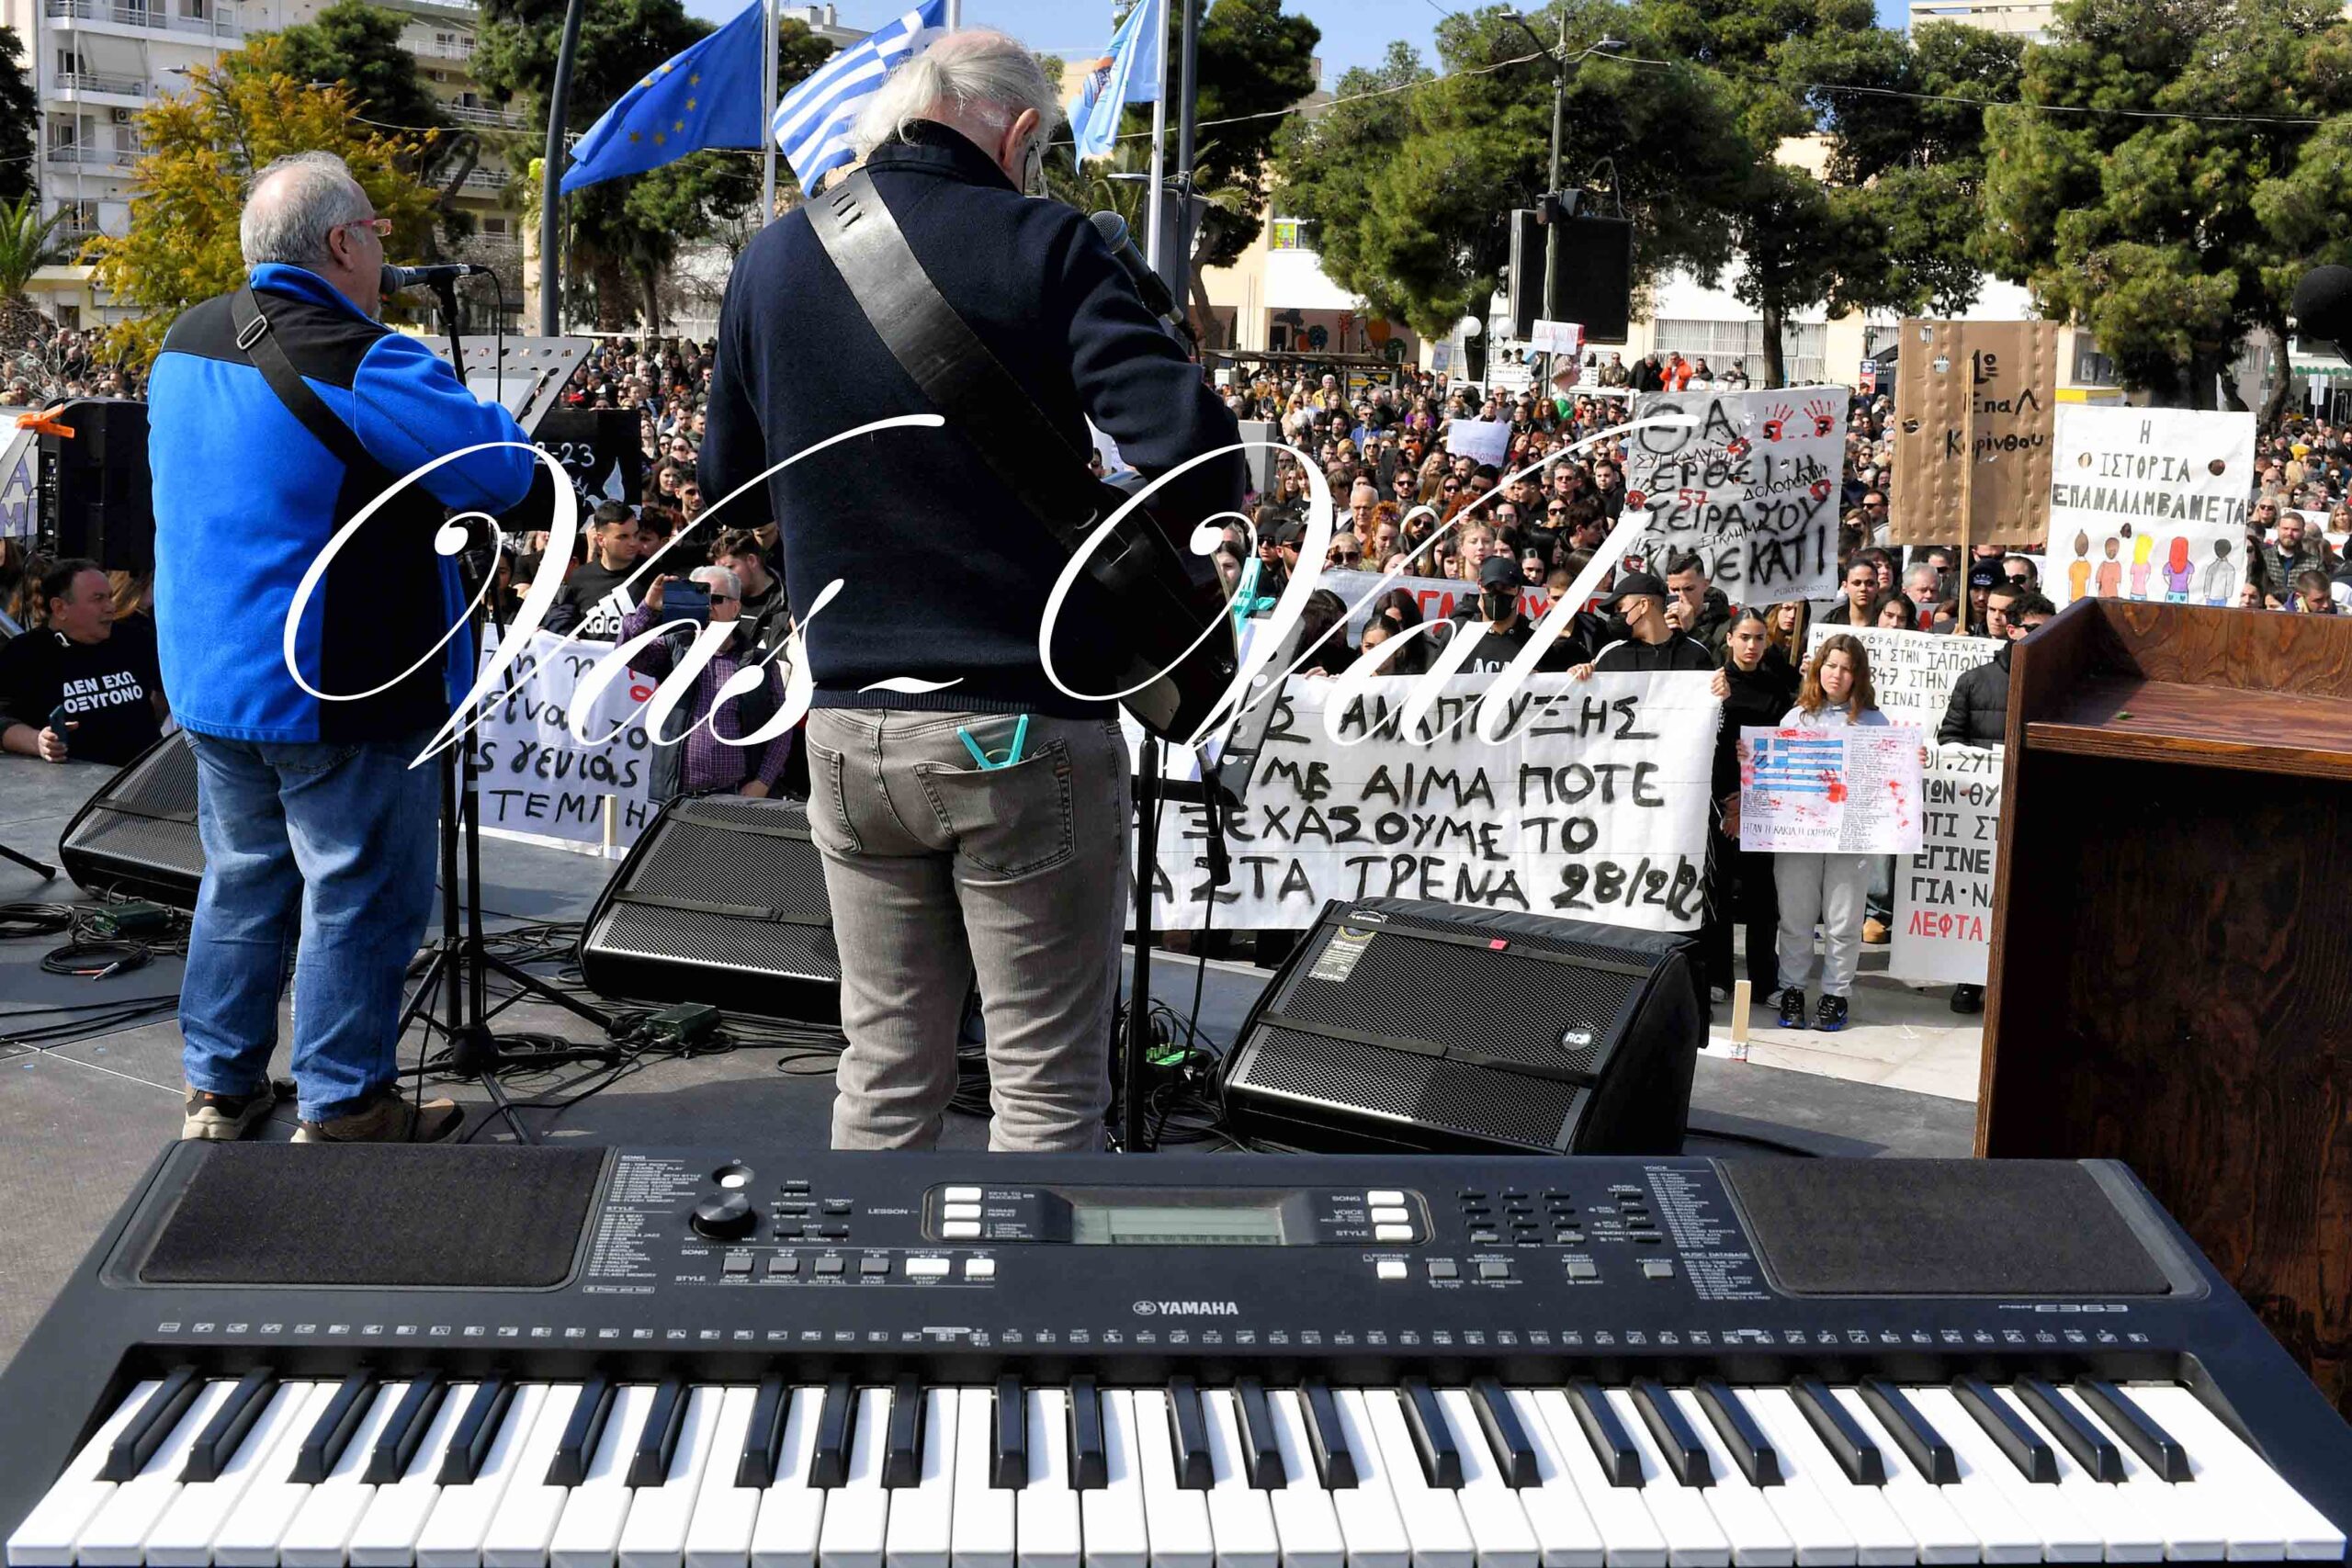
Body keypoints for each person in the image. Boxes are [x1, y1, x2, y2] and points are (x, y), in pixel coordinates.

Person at [698, 30, 1243, 1153]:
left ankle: (867, 1272)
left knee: (884, 1072)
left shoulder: (774, 256)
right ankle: (1017, 1280)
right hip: (1020, 730)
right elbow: (1199, 460)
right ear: (1021, 132)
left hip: (847, 725)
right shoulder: (1046, 242)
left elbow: (729, 484)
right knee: (1044, 1092)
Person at [146, 152, 536, 1144]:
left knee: (241, 880)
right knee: (358, 894)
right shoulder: (366, 357)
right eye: (375, 229)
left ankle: (219, 1091)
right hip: (340, 685)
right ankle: (345, 1102)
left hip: (213, 678)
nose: (383, 249)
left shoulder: (183, 340)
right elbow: (502, 475)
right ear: (341, 243)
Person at [1769, 634, 1889, 1032]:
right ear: (1818, 668)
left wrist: (1910, 760)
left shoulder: (1875, 722)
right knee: (1795, 917)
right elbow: (1775, 775)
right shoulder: (1795, 718)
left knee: (1844, 919)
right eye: (1831, 665)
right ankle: (1792, 989)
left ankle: (1836, 994)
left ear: (1859, 676)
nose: (1836, 675)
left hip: (1850, 836)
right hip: (1798, 834)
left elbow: (1888, 779)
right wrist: (1754, 759)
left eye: (1846, 669)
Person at [621, 566, 797, 800]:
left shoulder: (760, 662)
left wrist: (762, 782)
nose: (707, 607)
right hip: (676, 798)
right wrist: (649, 607)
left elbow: (780, 728)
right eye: (699, 598)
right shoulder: (674, 648)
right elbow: (626, 654)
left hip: (735, 797)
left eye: (715, 599)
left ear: (735, 607)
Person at [1705, 609, 1798, 1002]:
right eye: (1744, 637)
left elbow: (1783, 747)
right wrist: (1729, 802)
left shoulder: (1777, 687)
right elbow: (1707, 746)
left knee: (1763, 897)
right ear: (1729, 639)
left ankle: (1765, 982)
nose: (1751, 645)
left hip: (1761, 802)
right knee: (1718, 893)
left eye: (1759, 638)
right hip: (1717, 803)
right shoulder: (1712, 685)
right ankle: (1717, 976)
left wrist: (1747, 800)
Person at [0, 558, 169, 765]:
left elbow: (164, 693)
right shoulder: (27, 653)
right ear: (60, 608)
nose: (110, 607)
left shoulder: (134, 638)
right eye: (98, 599)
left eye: (109, 597)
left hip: (146, 772)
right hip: (76, 779)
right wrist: (38, 741)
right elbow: (3, 720)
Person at [549, 502, 641, 638]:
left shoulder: (654, 576)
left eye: (635, 534)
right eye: (623, 537)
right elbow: (565, 623)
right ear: (601, 539)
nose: (633, 542)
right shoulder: (580, 578)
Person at [1819, 558, 1879, 626]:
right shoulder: (1830, 621)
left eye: (1870, 583)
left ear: (1878, 587)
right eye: (1857, 583)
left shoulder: (1887, 620)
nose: (1863, 588)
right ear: (1845, 586)